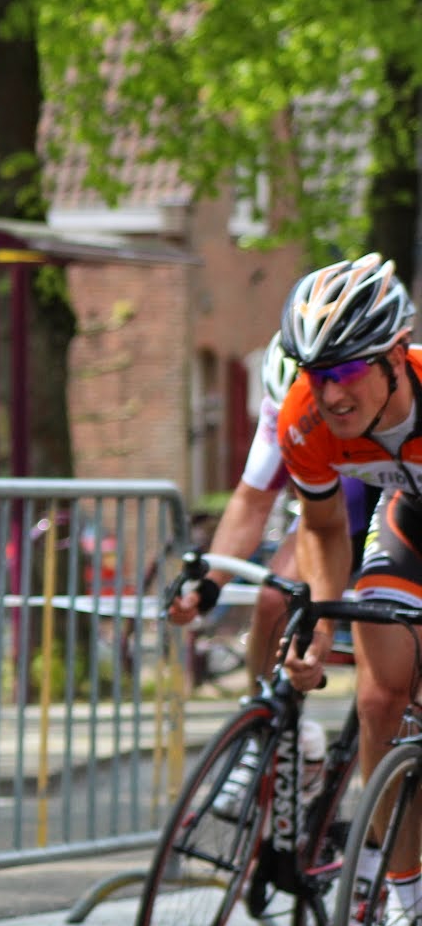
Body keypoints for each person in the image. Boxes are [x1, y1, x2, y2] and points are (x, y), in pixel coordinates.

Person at [275, 252, 421, 926]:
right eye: (313, 371)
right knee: (376, 700)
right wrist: (321, 624)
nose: (328, 393)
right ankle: (405, 914)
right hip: (406, 518)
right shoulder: (304, 414)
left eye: (346, 371)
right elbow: (325, 529)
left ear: (397, 355)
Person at [167, 333, 376, 814]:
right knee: (272, 599)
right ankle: (274, 727)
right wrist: (209, 585)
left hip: (388, 514)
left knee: (385, 654)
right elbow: (252, 500)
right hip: (327, 521)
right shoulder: (284, 412)